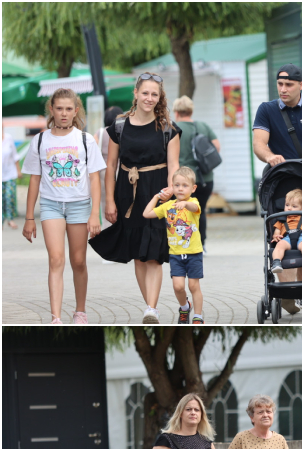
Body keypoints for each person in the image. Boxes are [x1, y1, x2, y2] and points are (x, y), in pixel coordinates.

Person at [89, 73, 181, 323]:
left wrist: (171, 192)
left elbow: (174, 165)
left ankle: (152, 308)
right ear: (136, 93)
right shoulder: (119, 127)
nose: (149, 98)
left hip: (158, 193)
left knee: (154, 253)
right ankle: (149, 305)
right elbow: (110, 166)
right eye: (145, 93)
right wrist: (109, 201)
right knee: (138, 254)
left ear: (159, 97)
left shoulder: (168, 129)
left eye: (154, 94)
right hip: (128, 193)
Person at [252, 64, 302, 313]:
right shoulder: (266, 110)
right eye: (280, 84)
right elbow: (259, 143)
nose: (283, 89)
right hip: (279, 180)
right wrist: (270, 156)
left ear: (301, 85)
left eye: (289, 84)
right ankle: (287, 292)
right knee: (281, 231)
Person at [20, 89, 106, 324]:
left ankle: (80, 312)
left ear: (76, 111)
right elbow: (34, 180)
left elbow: (95, 179)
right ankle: (55, 317)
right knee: (56, 260)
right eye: (59, 108)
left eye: (69, 109)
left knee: (78, 261)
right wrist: (29, 218)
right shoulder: (40, 140)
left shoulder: (86, 140)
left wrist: (95, 214)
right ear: (51, 110)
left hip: (79, 205)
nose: (64, 113)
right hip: (51, 206)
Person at [144, 167, 204, 324]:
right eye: (177, 185)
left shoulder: (193, 202)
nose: (180, 189)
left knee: (193, 286)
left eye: (185, 185)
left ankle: (198, 317)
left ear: (193, 188)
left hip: (194, 253)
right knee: (178, 287)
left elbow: (195, 208)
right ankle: (185, 307)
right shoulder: (168, 206)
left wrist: (185, 204)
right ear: (172, 187)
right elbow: (146, 214)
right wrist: (157, 196)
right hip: (176, 255)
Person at [172, 96, 221, 245]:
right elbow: (216, 147)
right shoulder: (203, 126)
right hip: (205, 178)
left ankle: (185, 243)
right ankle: (201, 244)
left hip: (183, 181)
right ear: (191, 111)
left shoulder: (174, 128)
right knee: (200, 210)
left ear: (176, 112)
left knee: (182, 212)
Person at [270, 188, 302, 275]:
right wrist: (276, 236)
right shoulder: (281, 219)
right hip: (286, 238)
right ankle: (276, 262)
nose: (289, 208)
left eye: (294, 206)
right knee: (279, 246)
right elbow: (277, 231)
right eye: (287, 205)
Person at [2, 130, 19, 229]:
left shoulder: (8, 138)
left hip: (10, 174)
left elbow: (15, 155)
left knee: (9, 197)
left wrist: (18, 171)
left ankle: (10, 219)